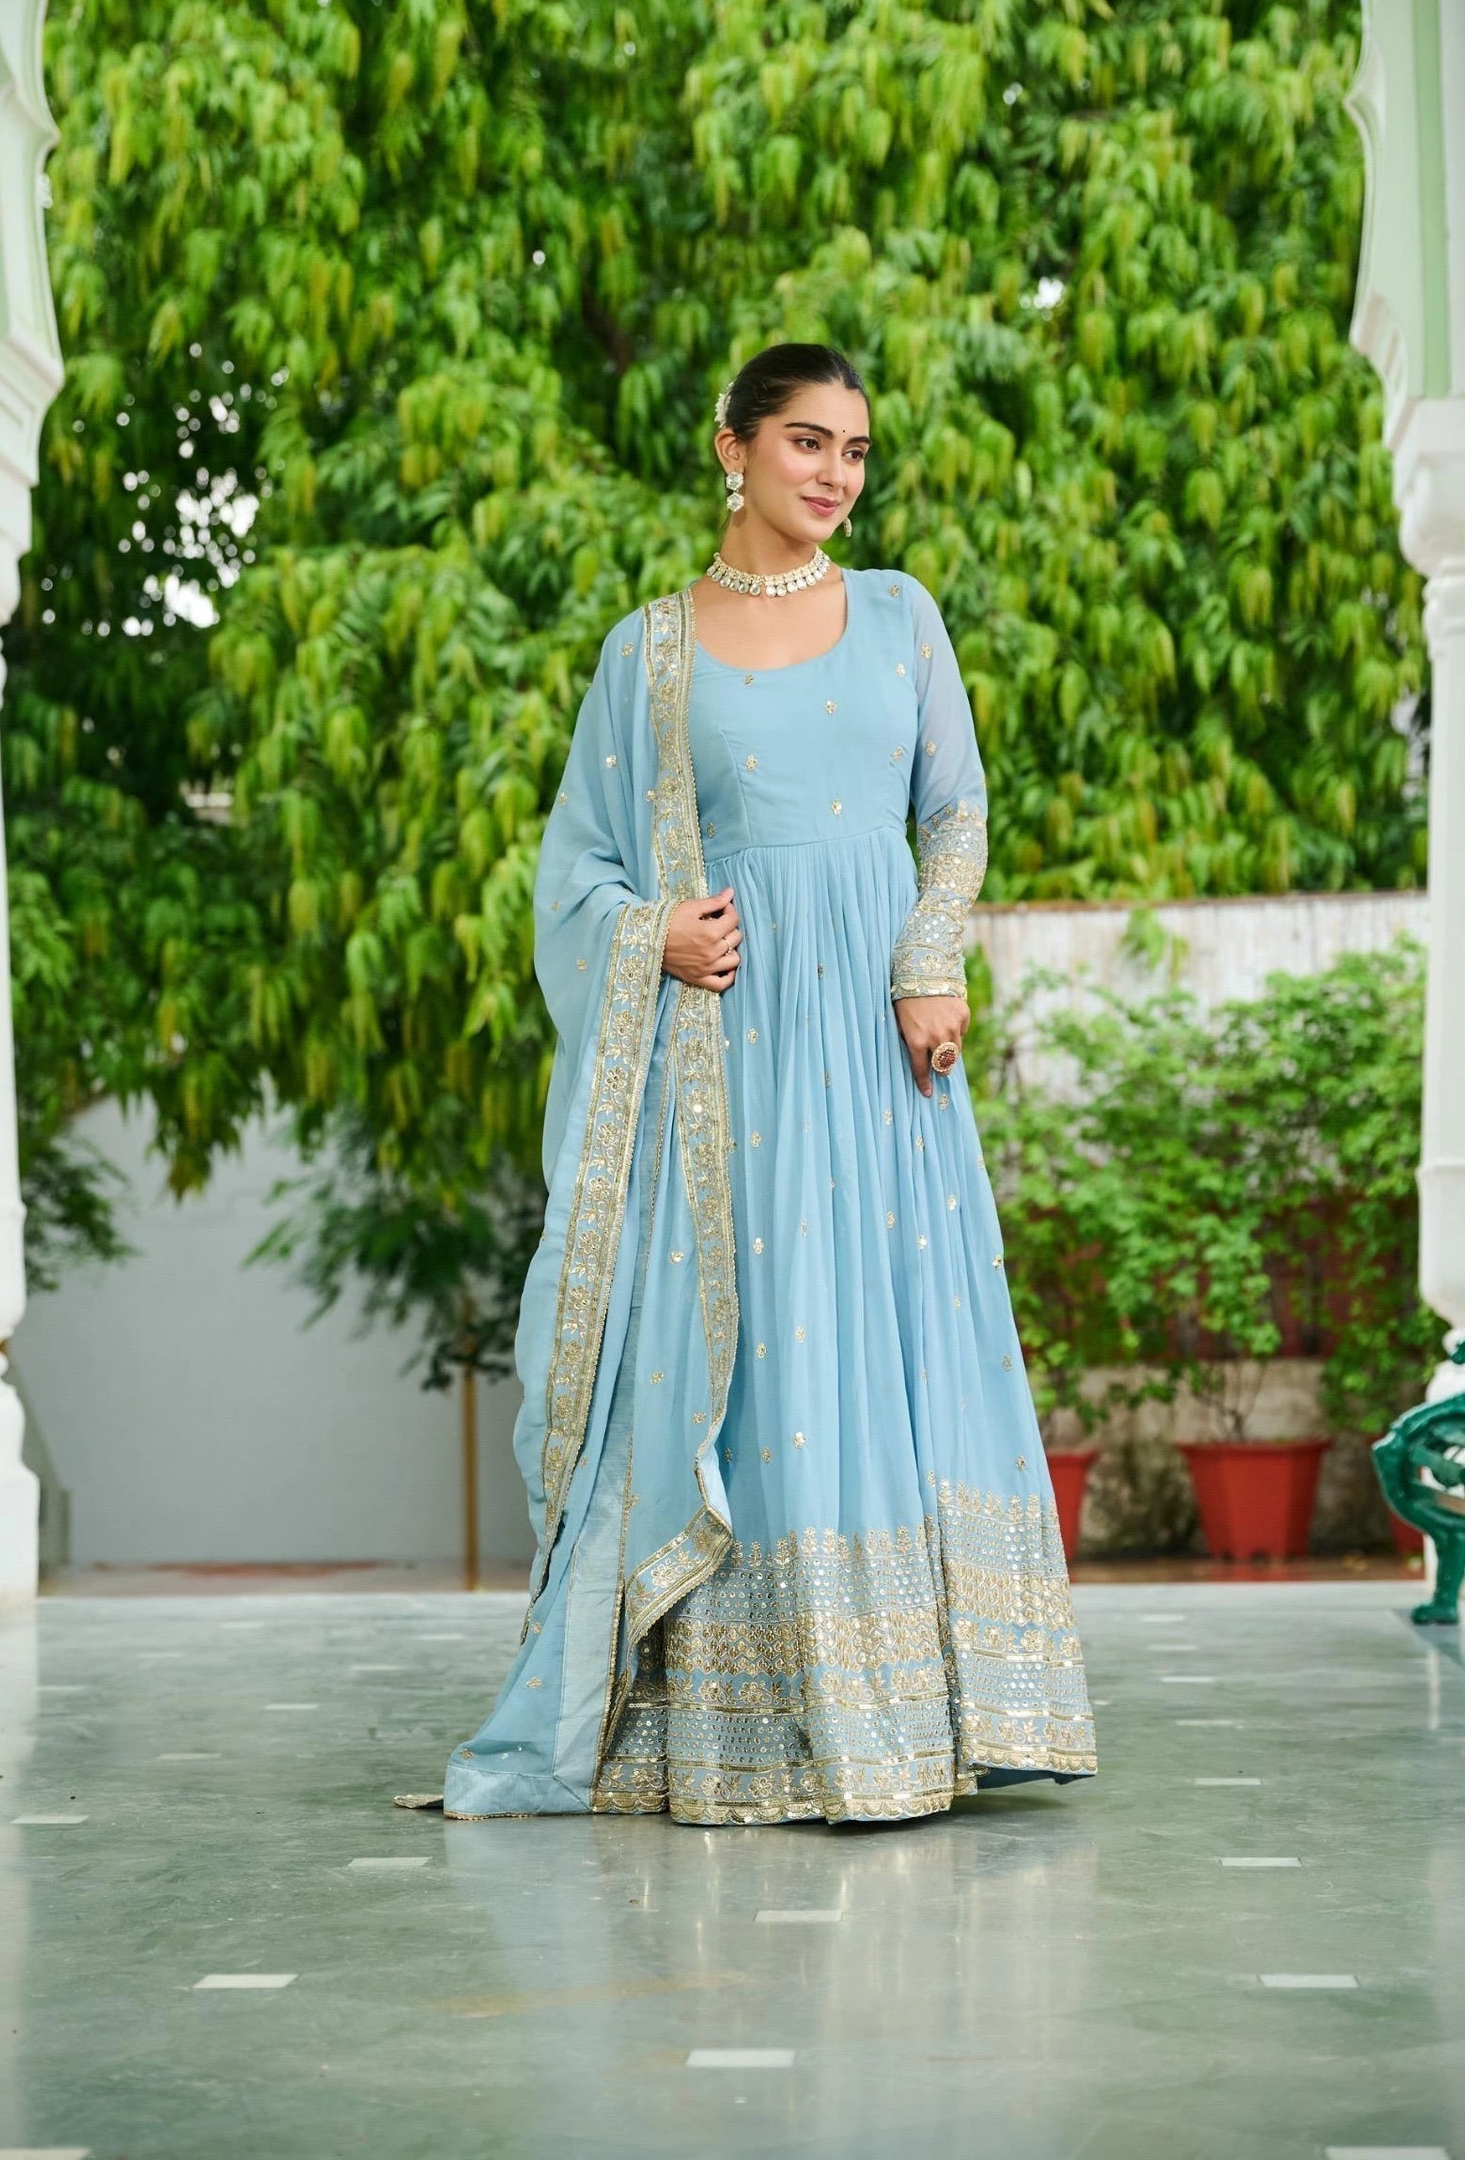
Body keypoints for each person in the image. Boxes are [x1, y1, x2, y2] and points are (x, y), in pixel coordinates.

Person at [440, 344, 1097, 1825]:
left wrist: (930, 954)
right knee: (767, 1350)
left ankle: (924, 1707)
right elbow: (576, 867)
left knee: (883, 1329)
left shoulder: (902, 615)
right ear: (730, 446)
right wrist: (651, 934)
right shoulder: (651, 652)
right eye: (808, 441)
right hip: (727, 1058)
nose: (836, 474)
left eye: (855, 450)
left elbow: (955, 811)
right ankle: (765, 1717)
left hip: (878, 1049)